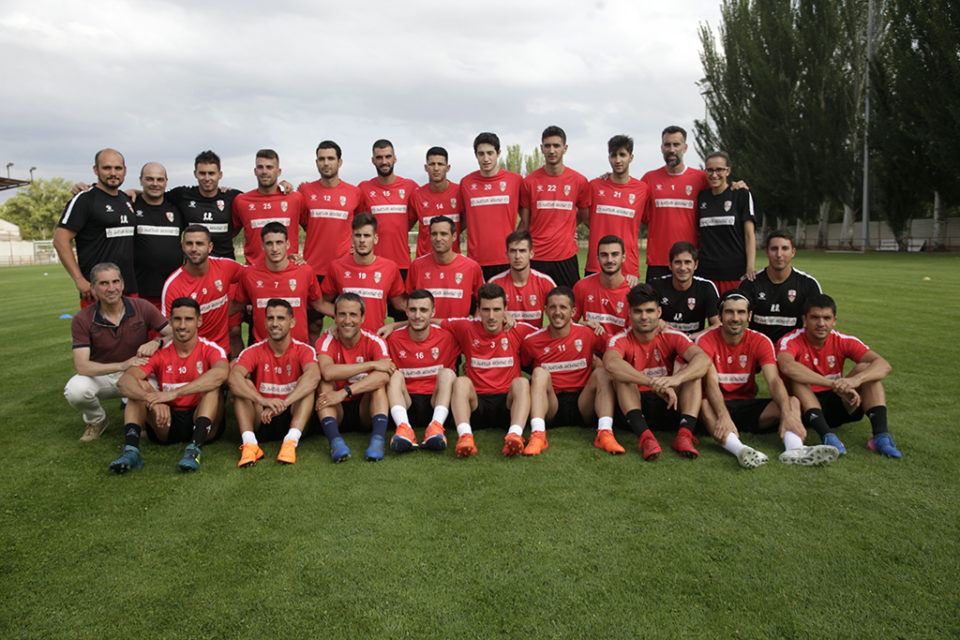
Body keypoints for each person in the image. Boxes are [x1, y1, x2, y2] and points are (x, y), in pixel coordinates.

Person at [697, 292, 839, 468]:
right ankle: (741, 450)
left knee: (793, 401)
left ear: (749, 316)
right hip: (716, 407)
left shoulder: (760, 340)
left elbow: (773, 380)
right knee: (704, 405)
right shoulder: (705, 340)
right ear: (720, 316)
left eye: (741, 312)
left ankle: (795, 450)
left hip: (746, 404)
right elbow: (710, 382)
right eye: (729, 312)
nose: (735, 318)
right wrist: (723, 415)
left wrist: (786, 414)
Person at [109, 297, 229, 473]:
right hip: (166, 421)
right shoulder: (159, 352)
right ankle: (131, 450)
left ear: (199, 321)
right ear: (170, 321)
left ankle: (195, 449)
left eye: (188, 319)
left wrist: (173, 394)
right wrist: (151, 400)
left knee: (213, 387)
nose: (182, 325)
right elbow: (125, 381)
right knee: (137, 389)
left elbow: (221, 374)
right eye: (177, 319)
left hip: (202, 417)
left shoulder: (211, 349)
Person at [777, 294, 902, 458]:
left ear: (834, 320)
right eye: (815, 317)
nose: (821, 323)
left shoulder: (843, 340)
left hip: (839, 401)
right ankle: (827, 436)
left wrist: (855, 380)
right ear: (804, 319)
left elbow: (883, 364)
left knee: (867, 369)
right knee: (797, 378)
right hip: (804, 410)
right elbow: (787, 366)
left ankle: (880, 436)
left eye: (826, 318)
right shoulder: (791, 339)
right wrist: (832, 384)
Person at [603, 283, 710, 460]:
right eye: (638, 311)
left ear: (659, 312)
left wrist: (676, 380)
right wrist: (652, 383)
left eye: (649, 311)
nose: (644, 316)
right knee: (621, 376)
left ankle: (684, 435)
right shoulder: (621, 339)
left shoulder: (672, 335)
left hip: (670, 402)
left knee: (693, 374)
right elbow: (611, 364)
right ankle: (646, 439)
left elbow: (703, 360)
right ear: (629, 313)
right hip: (634, 407)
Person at [65, 263, 170, 441]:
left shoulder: (141, 307)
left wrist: (157, 341)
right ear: (93, 288)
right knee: (75, 390)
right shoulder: (82, 319)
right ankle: (97, 420)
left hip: (138, 372)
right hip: (104, 374)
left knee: (159, 391)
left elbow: (174, 333)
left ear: (122, 284)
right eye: (104, 283)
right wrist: (122, 365)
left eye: (115, 281)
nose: (111, 288)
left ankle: (140, 421)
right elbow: (82, 366)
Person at [520, 286, 620, 455]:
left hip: (583, 402)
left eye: (563, 307)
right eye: (552, 307)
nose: (557, 312)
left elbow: (616, 348)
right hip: (552, 404)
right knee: (539, 373)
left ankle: (605, 434)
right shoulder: (532, 341)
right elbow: (523, 365)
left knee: (602, 372)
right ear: (545, 310)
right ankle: (538, 435)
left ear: (573, 311)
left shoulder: (589, 333)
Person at [444, 283, 537, 458]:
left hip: (508, 406)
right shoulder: (466, 327)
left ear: (506, 310)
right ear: (478, 309)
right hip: (477, 405)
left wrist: (586, 326)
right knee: (461, 381)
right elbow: (426, 321)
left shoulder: (518, 329)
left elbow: (552, 334)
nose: (492, 316)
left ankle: (515, 435)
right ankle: (465, 436)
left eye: (497, 309)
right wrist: (394, 326)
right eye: (486, 310)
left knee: (522, 382)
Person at [229, 299, 320, 467]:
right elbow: (233, 380)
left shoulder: (304, 350)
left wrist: (284, 403)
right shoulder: (253, 351)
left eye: (281, 318)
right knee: (243, 386)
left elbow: (314, 377)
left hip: (292, 413)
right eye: (270, 318)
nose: (275, 323)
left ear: (292, 322)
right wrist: (263, 401)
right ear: (265, 322)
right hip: (262, 417)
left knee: (306, 384)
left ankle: (290, 442)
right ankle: (250, 445)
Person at [314, 293, 395, 462]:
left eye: (353, 315)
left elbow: (384, 375)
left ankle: (378, 440)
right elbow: (327, 371)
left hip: (365, 409)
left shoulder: (375, 341)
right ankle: (335, 442)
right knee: (325, 384)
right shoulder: (326, 340)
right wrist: (370, 364)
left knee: (378, 385)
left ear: (363, 317)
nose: (347, 320)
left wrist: (345, 392)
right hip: (337, 409)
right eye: (342, 314)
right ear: (334, 317)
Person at [55, 148, 138, 304]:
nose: (113, 173)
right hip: (98, 292)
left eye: (118, 168)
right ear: (95, 169)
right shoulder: (85, 199)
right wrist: (79, 279)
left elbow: (154, 194)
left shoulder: (125, 199)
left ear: (125, 171)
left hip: (128, 289)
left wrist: (136, 191)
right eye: (107, 168)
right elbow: (60, 241)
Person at [298, 140, 362, 342]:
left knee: (348, 322)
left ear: (340, 162)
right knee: (312, 323)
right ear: (316, 162)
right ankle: (311, 365)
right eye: (321, 159)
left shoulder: (354, 193)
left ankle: (344, 367)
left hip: (344, 270)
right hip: (314, 269)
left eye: (330, 159)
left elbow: (360, 226)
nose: (326, 163)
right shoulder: (305, 191)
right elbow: (304, 223)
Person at [385, 290, 459, 452]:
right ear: (406, 311)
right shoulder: (392, 339)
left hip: (437, 401)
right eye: (413, 310)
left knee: (447, 373)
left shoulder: (449, 337)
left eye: (423, 310)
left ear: (433, 312)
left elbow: (479, 325)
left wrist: (506, 318)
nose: (417, 315)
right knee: (393, 375)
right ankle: (404, 428)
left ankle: (436, 427)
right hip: (406, 403)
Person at [518, 125, 590, 288]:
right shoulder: (530, 181)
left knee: (568, 307)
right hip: (537, 256)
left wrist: (568, 228)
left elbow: (585, 217)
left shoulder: (579, 181)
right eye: (547, 146)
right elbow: (525, 223)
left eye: (556, 146)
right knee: (533, 308)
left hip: (565, 256)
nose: (552, 150)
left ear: (565, 148)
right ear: (541, 148)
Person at [639, 126, 711, 282]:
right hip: (658, 260)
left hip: (689, 261)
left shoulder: (701, 179)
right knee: (655, 305)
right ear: (661, 148)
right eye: (667, 145)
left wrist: (736, 186)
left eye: (676, 145)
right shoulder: (649, 179)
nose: (672, 149)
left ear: (685, 147)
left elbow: (720, 194)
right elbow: (640, 214)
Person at [161, 225, 245, 355]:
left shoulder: (224, 267)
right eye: (189, 244)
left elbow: (253, 275)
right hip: (193, 355)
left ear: (210, 247)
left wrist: (240, 303)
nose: (194, 249)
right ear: (183, 246)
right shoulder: (173, 286)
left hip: (222, 352)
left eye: (199, 244)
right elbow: (169, 328)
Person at [234, 222, 324, 344]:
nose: (274, 248)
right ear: (262, 246)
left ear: (287, 244)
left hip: (298, 350)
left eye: (279, 243)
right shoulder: (249, 274)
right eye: (269, 243)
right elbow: (236, 305)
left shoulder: (305, 271)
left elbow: (319, 305)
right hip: (262, 350)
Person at [320, 213, 406, 332]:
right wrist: (342, 316)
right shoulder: (337, 266)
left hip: (375, 339)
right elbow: (322, 302)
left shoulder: (390, 268)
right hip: (346, 338)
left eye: (366, 236)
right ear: (352, 238)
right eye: (358, 235)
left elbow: (399, 303)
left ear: (375, 239)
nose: (362, 240)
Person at [737, 229, 821, 345]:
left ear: (793, 252)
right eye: (774, 249)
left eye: (785, 249)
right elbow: (736, 320)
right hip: (756, 347)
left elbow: (817, 323)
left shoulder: (808, 284)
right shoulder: (751, 283)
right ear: (767, 252)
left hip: (792, 349)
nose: (779, 255)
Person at [584, 135, 648, 284]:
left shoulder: (643, 189)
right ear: (609, 157)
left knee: (626, 307)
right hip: (596, 264)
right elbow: (584, 216)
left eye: (622, 155)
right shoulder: (594, 186)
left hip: (628, 267)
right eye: (613, 155)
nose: (618, 160)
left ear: (631, 157)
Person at [460, 132, 523, 281]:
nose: (486, 158)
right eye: (481, 154)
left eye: (490, 153)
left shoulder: (515, 180)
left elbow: (529, 216)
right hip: (476, 261)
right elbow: (460, 219)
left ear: (498, 153)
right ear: (475, 155)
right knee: (478, 304)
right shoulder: (466, 183)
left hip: (507, 259)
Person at [696, 151, 757, 295]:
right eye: (710, 170)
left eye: (719, 170)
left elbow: (749, 235)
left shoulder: (741, 194)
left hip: (734, 272)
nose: (714, 174)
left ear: (728, 171)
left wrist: (750, 267)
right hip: (706, 272)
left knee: (733, 315)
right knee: (712, 317)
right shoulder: (702, 197)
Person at [231, 149, 306, 265]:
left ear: (279, 171)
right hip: (254, 274)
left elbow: (312, 228)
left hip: (287, 272)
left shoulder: (295, 198)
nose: (264, 171)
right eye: (260, 167)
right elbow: (230, 232)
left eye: (269, 167)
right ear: (255, 171)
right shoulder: (241, 201)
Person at [357, 139, 419, 279]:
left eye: (388, 157)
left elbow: (414, 217)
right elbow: (357, 223)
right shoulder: (364, 188)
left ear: (395, 158)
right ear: (373, 160)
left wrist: (399, 233)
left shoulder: (410, 187)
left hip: (401, 264)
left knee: (402, 302)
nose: (384, 161)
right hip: (372, 263)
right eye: (379, 157)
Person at [404, 215, 484, 321]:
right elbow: (408, 301)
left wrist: (473, 324)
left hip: (458, 334)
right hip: (427, 335)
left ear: (454, 236)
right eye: (434, 234)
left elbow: (484, 301)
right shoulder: (417, 266)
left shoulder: (471, 267)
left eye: (443, 234)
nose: (438, 238)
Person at [167, 150, 244, 259]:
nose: (207, 178)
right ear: (195, 174)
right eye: (202, 173)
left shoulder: (232, 196)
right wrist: (135, 192)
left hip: (225, 266)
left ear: (220, 174)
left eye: (211, 173)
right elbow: (154, 196)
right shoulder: (182, 195)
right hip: (194, 267)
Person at [131, 162, 183, 309]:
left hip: (173, 292)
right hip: (140, 293)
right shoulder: (130, 205)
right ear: (140, 180)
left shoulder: (177, 208)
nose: (155, 184)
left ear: (166, 181)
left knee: (172, 332)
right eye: (149, 179)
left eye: (160, 179)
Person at [649, 241, 720, 338]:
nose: (683, 268)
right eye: (678, 262)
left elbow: (718, 324)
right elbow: (644, 317)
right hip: (663, 342)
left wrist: (690, 337)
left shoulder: (706, 287)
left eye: (687, 262)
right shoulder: (655, 285)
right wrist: (655, 322)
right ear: (670, 265)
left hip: (693, 342)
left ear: (695, 265)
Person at [487, 229, 556, 325]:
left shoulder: (545, 282)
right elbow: (483, 317)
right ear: (507, 254)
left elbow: (561, 315)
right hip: (505, 339)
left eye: (522, 251)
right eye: (513, 251)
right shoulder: (495, 283)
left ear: (531, 254)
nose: (517, 256)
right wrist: (501, 315)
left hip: (534, 340)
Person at [573, 235, 631, 338]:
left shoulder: (632, 292)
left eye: (615, 254)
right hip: (589, 350)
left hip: (620, 351)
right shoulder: (582, 286)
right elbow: (567, 325)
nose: (609, 260)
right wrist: (582, 325)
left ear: (623, 257)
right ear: (598, 259)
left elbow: (636, 337)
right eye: (604, 255)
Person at [411, 146, 463, 258]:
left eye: (440, 164)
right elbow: (407, 224)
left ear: (448, 168)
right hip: (424, 261)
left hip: (452, 260)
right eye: (432, 164)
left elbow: (466, 221)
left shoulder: (459, 192)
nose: (436, 168)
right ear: (426, 167)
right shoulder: (416, 194)